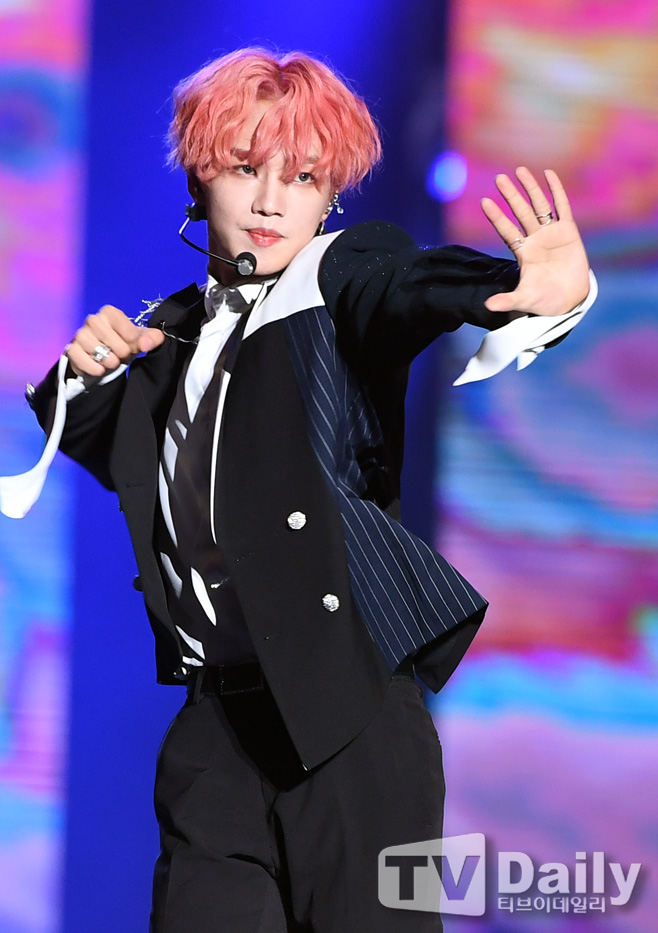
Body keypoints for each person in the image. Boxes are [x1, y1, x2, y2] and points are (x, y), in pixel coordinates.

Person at [12, 48, 594, 932]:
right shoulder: (171, 331)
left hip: (347, 707)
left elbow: (406, 284)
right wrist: (83, 372)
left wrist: (524, 290)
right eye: (247, 169)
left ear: (330, 199)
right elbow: (137, 468)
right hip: (215, 726)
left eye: (304, 177)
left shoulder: (334, 278)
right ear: (200, 177)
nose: (272, 201)